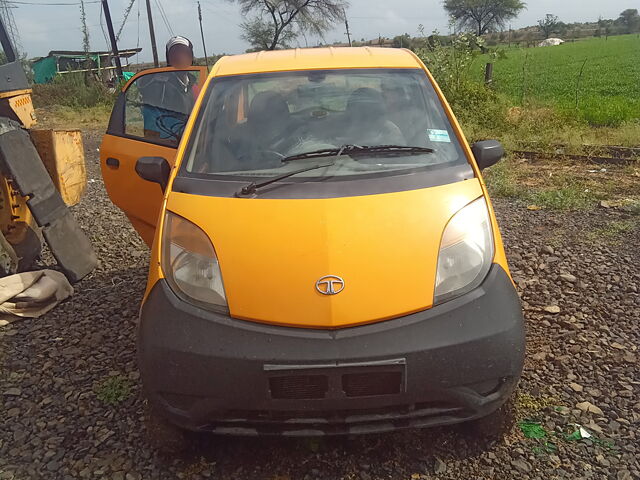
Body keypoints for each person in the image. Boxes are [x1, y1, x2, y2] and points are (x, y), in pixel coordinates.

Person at [140, 36, 200, 143]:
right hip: (169, 145)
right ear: (169, 59)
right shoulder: (158, 87)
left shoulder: (196, 87)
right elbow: (151, 125)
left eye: (184, 53)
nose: (180, 57)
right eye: (175, 54)